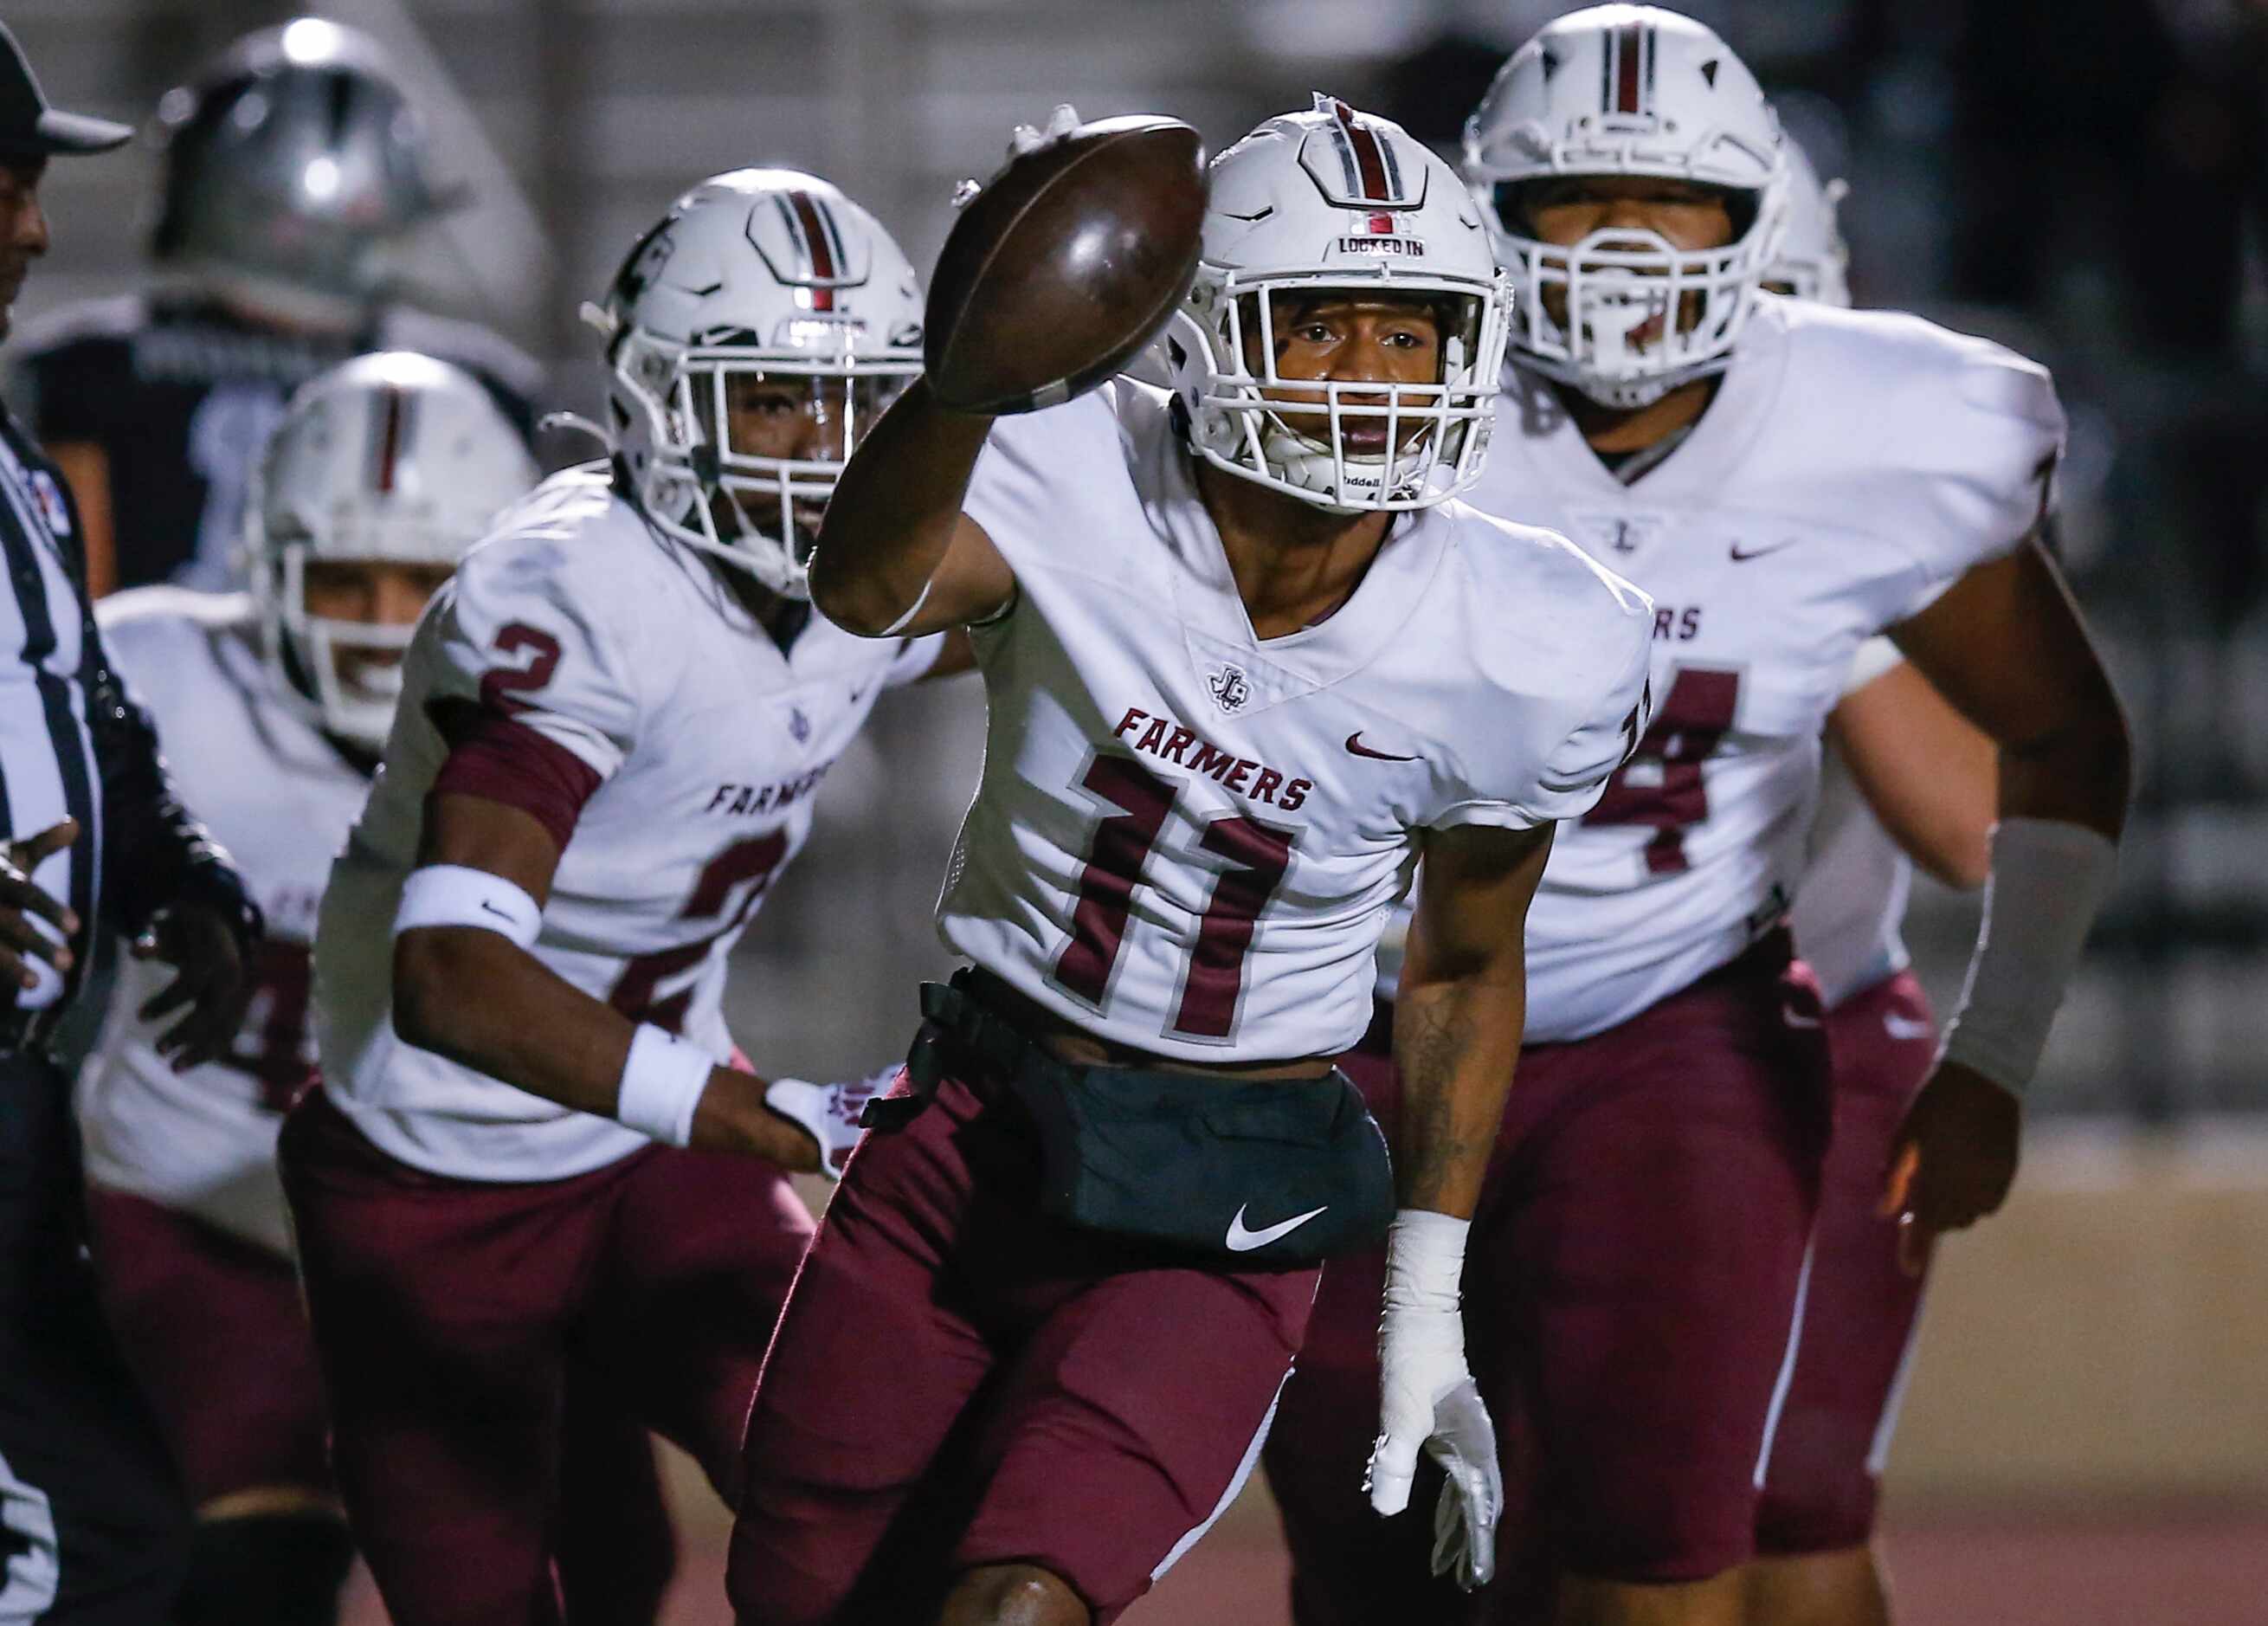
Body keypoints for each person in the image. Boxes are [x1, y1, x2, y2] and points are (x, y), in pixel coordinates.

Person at [727, 96, 1656, 1626]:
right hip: (971, 1125)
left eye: (1411, 332)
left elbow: (1469, 963)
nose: (1373, 376)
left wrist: (1426, 1308)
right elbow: (867, 585)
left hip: (1232, 1182)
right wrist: (959, 390)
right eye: (1324, 325)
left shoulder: (1532, 638)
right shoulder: (1065, 460)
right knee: (802, 1592)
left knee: (1020, 1601)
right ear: (1208, 331)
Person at [1260, 10, 2131, 1626]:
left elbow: (1991, 793)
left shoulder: (1862, 446)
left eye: (1675, 219)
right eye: (1571, 211)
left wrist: (1995, 1051)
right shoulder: (1410, 403)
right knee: (1390, 1552)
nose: (1620, 262)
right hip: (1371, 1021)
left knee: (1722, 1533)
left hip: (1706, 1025)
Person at [281, 169, 950, 1626]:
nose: (823, 452)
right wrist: (765, 1115)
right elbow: (452, 973)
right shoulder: (572, 595)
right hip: (434, 1176)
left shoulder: (875, 569)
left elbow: (1096, 618)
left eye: (855, 403)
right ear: (660, 403)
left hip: (652, 1148)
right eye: (772, 399)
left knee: (866, 1471)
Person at [72, 351, 682, 1626]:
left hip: (465, 1225)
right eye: (345, 577)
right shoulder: (158, 683)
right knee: (232, 1572)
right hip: (192, 1225)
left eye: (423, 581)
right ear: (263, 567)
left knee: (608, 1565)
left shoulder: (587, 723)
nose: (379, 615)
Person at [0, 22, 263, 1620]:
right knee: (75, 1546)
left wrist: (181, 871)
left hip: (19, 1102)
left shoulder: (13, 463)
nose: (36, 224)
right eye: (7, 183)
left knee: (111, 1533)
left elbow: (83, 703)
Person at [1749, 140, 1999, 1626]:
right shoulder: (1482, 499)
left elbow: (1973, 818)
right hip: (1539, 1058)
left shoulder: (1890, 502)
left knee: (1793, 1512)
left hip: (1810, 1038)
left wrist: (1819, 600)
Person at [10, 16, 542, 598]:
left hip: (151, 675)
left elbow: (73, 607)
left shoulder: (84, 367)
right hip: (369, 663)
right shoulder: (478, 384)